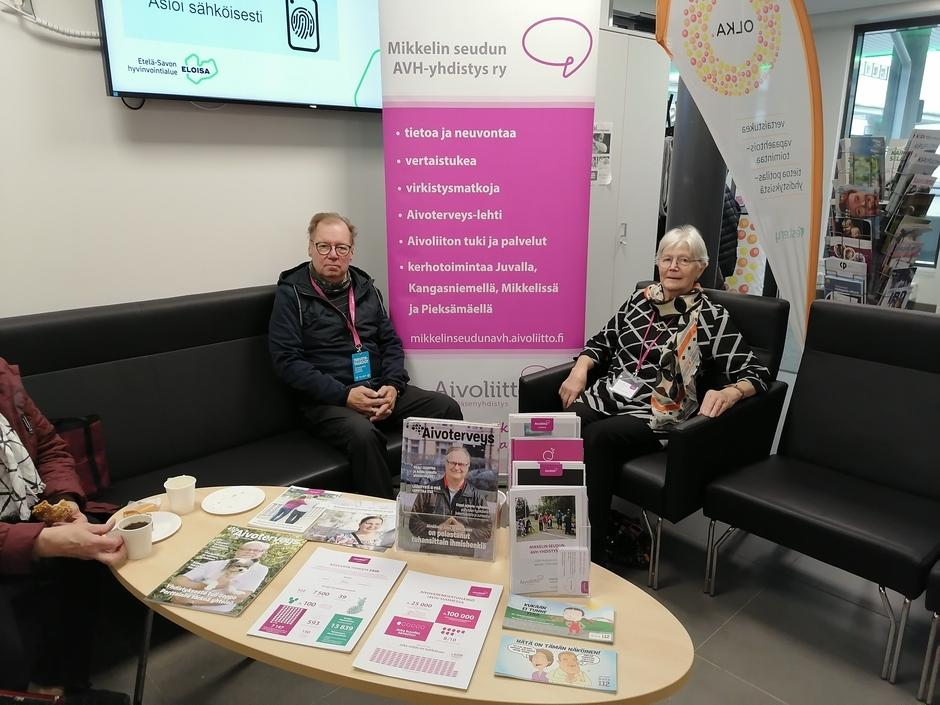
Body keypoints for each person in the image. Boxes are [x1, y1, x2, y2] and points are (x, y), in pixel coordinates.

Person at [558, 225, 771, 562]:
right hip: (609, 395)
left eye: (684, 260)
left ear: (700, 267)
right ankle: (555, 528)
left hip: (657, 411)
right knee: (565, 422)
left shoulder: (711, 317)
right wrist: (579, 369)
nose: (673, 266)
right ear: (657, 263)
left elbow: (756, 373)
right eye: (667, 258)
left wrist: (731, 392)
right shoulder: (639, 300)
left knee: (598, 437)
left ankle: (590, 550)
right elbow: (602, 341)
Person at [269, 212, 462, 498]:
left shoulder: (364, 287)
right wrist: (344, 395)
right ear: (310, 247)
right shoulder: (292, 294)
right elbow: (287, 362)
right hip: (328, 400)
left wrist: (393, 386)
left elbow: (390, 343)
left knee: (445, 408)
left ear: (351, 252)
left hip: (377, 389)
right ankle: (383, 515)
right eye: (324, 246)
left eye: (341, 247)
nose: (332, 254)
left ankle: (439, 503)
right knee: (364, 435)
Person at [0, 358, 129, 705]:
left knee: (90, 557)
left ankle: (60, 686)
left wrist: (66, 502)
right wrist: (41, 542)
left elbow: (49, 447)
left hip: (30, 512)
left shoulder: (2, 375)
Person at [407, 446, 492, 556]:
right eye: (453, 463)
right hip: (430, 554)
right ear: (446, 464)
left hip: (463, 558)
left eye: (461, 464)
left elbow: (487, 531)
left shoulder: (477, 497)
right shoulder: (428, 490)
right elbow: (413, 523)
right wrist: (436, 530)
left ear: (468, 466)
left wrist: (464, 531)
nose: (456, 467)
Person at [170, 541, 270, 612]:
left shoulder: (260, 569)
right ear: (237, 551)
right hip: (181, 605)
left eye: (256, 550)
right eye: (247, 549)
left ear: (262, 554)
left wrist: (192, 601)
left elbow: (239, 597)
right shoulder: (214, 564)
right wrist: (204, 586)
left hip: (212, 612)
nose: (251, 552)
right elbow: (179, 580)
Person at [326, 515, 395, 549]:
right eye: (369, 523)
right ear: (360, 524)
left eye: (377, 524)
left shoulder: (382, 539)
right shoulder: (341, 537)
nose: (372, 526)